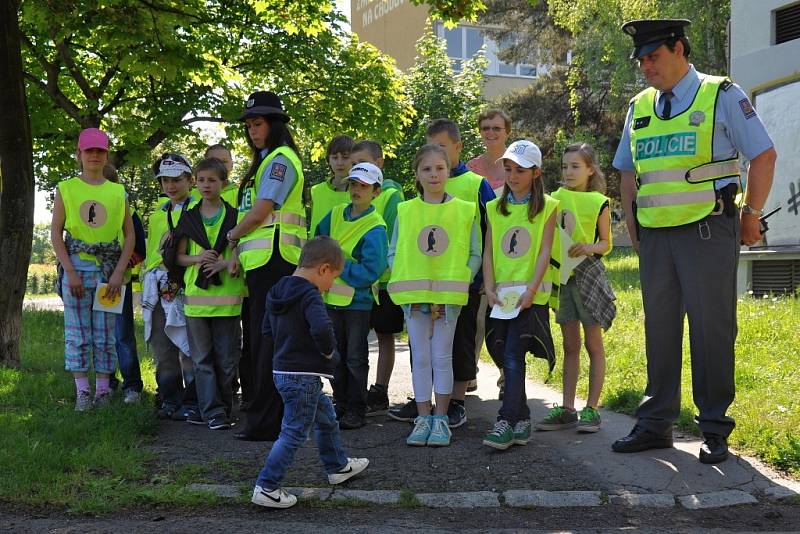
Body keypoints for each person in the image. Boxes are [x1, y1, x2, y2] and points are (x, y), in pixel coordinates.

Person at [612, 19, 776, 464]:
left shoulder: (721, 95)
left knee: (711, 330)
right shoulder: (639, 106)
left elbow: (763, 153)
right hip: (657, 237)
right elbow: (628, 174)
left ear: (680, 49)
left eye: (654, 57)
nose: (646, 66)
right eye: (641, 60)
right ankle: (655, 423)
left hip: (708, 229)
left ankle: (715, 428)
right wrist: (636, 232)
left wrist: (752, 214)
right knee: (659, 331)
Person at [389, 119, 494, 428]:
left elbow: (475, 251)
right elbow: (394, 251)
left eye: (439, 168)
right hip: (415, 299)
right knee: (420, 359)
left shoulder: (463, 209)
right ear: (417, 174)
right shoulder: (406, 210)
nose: (433, 174)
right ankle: (423, 419)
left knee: (442, 358)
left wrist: (463, 279)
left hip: (449, 298)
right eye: (426, 169)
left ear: (449, 171)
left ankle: (441, 419)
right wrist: (406, 286)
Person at [251, 236, 369, 509]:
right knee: (293, 432)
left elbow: (266, 331)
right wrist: (329, 353)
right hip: (304, 376)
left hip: (282, 371)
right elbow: (322, 329)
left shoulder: (276, 290)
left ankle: (338, 465)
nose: (332, 285)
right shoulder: (310, 295)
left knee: (325, 417)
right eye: (334, 278)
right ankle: (267, 486)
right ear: (323, 269)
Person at [226, 91, 308, 441]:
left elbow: (259, 213)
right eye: (248, 125)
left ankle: (266, 422)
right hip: (262, 263)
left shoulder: (279, 160)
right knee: (263, 342)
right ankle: (266, 419)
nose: (252, 131)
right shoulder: (266, 161)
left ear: (275, 125)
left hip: (276, 261)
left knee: (268, 343)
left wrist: (230, 238)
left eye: (257, 124)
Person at [51, 128, 134, 411]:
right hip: (76, 272)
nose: (95, 156)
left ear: (106, 155)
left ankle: (102, 391)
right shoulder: (66, 188)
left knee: (105, 334)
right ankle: (82, 392)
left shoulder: (118, 191)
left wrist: (119, 272)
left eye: (100, 151)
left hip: (109, 274)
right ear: (80, 155)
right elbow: (55, 233)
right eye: (89, 151)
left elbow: (130, 236)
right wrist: (70, 271)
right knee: (78, 334)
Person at [481, 140, 557, 449]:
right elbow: (488, 252)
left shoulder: (549, 207)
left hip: (528, 296)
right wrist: (488, 286)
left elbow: (544, 251)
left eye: (520, 170)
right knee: (501, 353)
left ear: (536, 173)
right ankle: (523, 418)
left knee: (513, 354)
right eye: (508, 168)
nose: (512, 175)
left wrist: (532, 289)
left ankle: (506, 420)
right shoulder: (493, 207)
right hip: (500, 297)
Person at [536, 142, 616, 433]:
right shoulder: (553, 199)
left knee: (594, 344)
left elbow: (606, 244)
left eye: (576, 166)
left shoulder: (599, 202)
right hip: (562, 280)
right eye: (565, 166)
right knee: (570, 344)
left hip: (588, 275)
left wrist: (588, 247)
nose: (569, 172)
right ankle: (567, 408)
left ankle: (592, 409)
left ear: (590, 169)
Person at [315, 162, 388, 429]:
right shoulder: (334, 214)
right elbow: (317, 244)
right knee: (334, 355)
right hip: (330, 299)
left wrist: (336, 263)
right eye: (354, 184)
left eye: (364, 186)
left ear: (376, 192)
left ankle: (357, 408)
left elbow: (371, 271)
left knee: (355, 357)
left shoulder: (375, 227)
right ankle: (341, 403)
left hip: (358, 303)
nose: (356, 190)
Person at [176, 157, 244, 430]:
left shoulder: (235, 217)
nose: (206, 185)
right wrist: (200, 258)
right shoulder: (189, 217)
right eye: (201, 180)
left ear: (223, 183)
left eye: (212, 180)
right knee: (202, 360)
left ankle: (225, 407)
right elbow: (178, 258)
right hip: (196, 301)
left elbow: (241, 254)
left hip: (227, 299)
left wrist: (225, 263)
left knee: (227, 361)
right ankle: (212, 412)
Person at [349, 140, 405, 416]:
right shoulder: (351, 192)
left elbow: (395, 234)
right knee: (357, 337)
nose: (358, 168)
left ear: (380, 163)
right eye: (354, 163)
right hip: (357, 281)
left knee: (384, 336)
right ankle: (355, 390)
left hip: (382, 280)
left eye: (366, 162)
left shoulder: (392, 193)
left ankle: (380, 390)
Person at [142, 153, 198, 420]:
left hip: (189, 287)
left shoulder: (201, 207)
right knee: (163, 347)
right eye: (165, 180)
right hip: (159, 285)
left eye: (176, 179)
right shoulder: (157, 214)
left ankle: (192, 401)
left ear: (190, 179)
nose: (170, 185)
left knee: (189, 347)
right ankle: (169, 398)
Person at [102, 163, 146, 404]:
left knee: (122, 335)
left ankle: (132, 386)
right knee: (103, 335)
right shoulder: (89, 211)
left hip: (119, 283)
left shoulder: (128, 213)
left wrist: (118, 270)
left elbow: (140, 249)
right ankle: (106, 382)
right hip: (95, 284)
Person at [309, 135, 355, 236]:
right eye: (334, 158)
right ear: (328, 160)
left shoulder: (360, 192)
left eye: (345, 157)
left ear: (354, 160)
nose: (339, 163)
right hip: (317, 249)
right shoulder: (315, 191)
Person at [467, 108, 513, 194]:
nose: (490, 132)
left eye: (496, 128)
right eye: (485, 128)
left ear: (508, 133)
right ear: (480, 133)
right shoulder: (472, 168)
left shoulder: (520, 164)